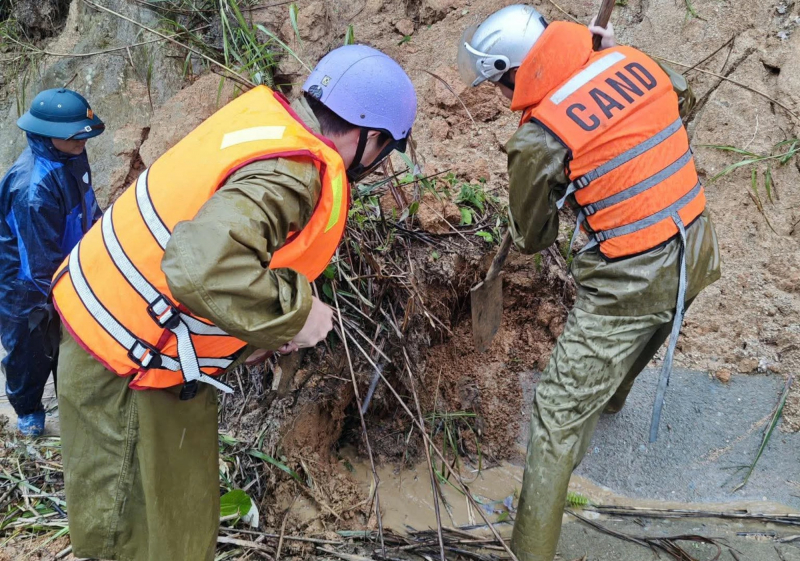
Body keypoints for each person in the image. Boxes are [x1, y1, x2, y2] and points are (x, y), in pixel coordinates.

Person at [51, 44, 417, 561]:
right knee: (150, 532)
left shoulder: (264, 123)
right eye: (385, 151)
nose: (380, 163)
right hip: (131, 362)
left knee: (127, 511)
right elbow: (199, 266)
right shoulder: (292, 173)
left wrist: (253, 339)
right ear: (372, 137)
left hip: (102, 322)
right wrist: (296, 314)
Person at [457, 6, 720, 561]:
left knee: (553, 416)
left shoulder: (538, 138)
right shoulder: (633, 61)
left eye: (498, 81)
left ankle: (531, 550)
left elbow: (531, 237)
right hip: (694, 246)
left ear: (513, 71)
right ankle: (612, 399)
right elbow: (684, 94)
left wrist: (546, 183)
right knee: (653, 325)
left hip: (629, 281)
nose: (502, 93)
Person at [0, 88, 104, 437]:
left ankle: (72, 404)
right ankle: (27, 412)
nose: (82, 141)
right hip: (25, 284)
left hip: (66, 260)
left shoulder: (73, 156)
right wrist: (66, 295)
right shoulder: (32, 188)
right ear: (48, 134)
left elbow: (88, 205)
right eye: (74, 135)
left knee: (68, 346)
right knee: (29, 349)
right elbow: (37, 265)